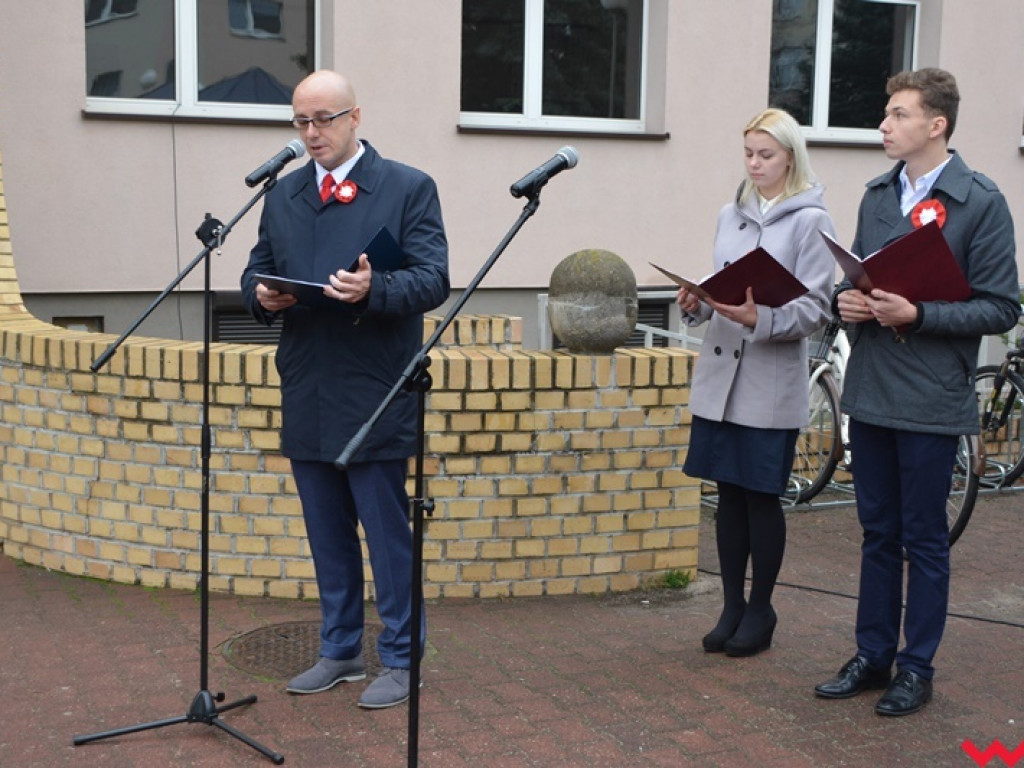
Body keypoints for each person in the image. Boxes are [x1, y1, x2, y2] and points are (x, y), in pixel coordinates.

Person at [240, 70, 450, 709]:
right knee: (325, 531)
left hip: (375, 390)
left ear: (356, 116)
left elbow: (434, 278)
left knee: (386, 536)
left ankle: (400, 657)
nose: (311, 134)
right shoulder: (286, 194)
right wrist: (261, 294)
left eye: (323, 120)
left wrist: (374, 290)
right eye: (301, 122)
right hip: (308, 383)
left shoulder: (407, 187)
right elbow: (257, 264)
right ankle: (339, 649)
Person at [814, 68, 1020, 716]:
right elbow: (856, 274)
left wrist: (919, 314)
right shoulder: (877, 195)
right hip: (873, 391)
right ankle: (872, 654)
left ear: (938, 124)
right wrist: (843, 300)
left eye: (899, 114)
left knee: (923, 536)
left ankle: (916, 666)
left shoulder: (980, 201)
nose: (884, 124)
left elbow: (1000, 307)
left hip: (932, 397)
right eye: (886, 112)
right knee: (877, 532)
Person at [677, 108, 836, 657]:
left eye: (765, 154)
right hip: (721, 378)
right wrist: (696, 305)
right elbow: (721, 288)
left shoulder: (812, 221)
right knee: (727, 495)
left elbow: (816, 307)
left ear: (790, 156)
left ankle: (762, 607)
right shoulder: (731, 213)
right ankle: (731, 605)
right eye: (748, 152)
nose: (755, 163)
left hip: (769, 382)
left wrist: (760, 319)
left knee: (760, 498)